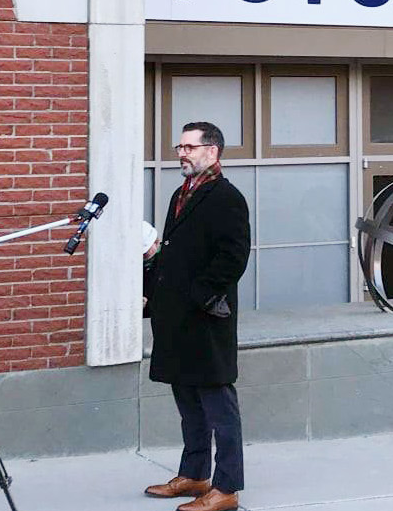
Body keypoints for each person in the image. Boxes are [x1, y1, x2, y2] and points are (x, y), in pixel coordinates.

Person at [142, 121, 251, 511]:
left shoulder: (226, 197)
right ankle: (194, 476)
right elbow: (177, 250)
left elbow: (233, 257)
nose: (182, 153)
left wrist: (199, 295)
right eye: (180, 146)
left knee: (219, 406)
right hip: (176, 319)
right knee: (188, 403)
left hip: (206, 319)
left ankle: (226, 488)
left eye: (190, 147)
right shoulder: (181, 193)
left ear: (213, 151)